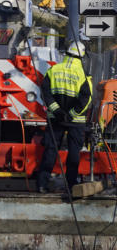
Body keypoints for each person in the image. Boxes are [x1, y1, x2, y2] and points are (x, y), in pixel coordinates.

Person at [36, 39, 92, 194]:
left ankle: (42, 185)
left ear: (67, 54)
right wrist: (71, 114)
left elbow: (45, 93)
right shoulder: (83, 75)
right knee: (74, 153)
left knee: (50, 150)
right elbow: (85, 99)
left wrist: (58, 112)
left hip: (55, 120)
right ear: (81, 57)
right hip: (76, 122)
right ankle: (71, 186)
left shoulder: (53, 70)